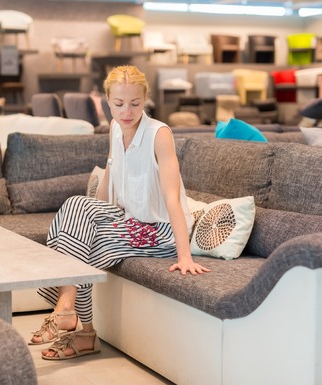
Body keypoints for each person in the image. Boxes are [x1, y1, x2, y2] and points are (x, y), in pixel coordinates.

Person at [30, 65, 210, 360]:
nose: (127, 112)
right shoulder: (115, 128)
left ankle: (77, 322)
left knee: (85, 242)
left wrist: (184, 256)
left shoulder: (159, 135)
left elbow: (173, 199)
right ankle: (71, 315)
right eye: (119, 103)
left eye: (135, 104)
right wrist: (93, 216)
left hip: (159, 230)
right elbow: (110, 173)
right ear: (107, 101)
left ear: (145, 100)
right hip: (129, 220)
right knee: (76, 210)